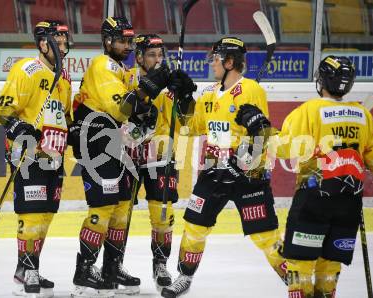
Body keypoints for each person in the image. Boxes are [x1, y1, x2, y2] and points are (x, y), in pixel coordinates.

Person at [247, 55, 373, 298]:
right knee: (329, 268)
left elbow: (283, 148)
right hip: (348, 202)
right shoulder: (362, 115)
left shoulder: (309, 111)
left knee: (299, 266)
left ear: (322, 80)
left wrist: (261, 128)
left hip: (313, 201)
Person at [161, 37, 287, 298]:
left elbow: (261, 136)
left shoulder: (252, 90)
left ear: (230, 62)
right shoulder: (208, 93)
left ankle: (294, 278)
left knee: (265, 236)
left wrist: (241, 160)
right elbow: (189, 126)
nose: (212, 64)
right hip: (213, 170)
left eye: (216, 59)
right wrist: (183, 97)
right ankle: (184, 276)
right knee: (195, 227)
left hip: (248, 176)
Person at [69, 17, 171, 297]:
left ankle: (111, 268)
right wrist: (151, 86)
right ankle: (84, 271)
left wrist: (149, 103)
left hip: (113, 142)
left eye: (129, 40)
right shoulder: (103, 65)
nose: (126, 45)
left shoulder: (122, 70)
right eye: (121, 40)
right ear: (107, 41)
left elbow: (137, 110)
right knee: (103, 207)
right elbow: (123, 109)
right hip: (96, 140)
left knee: (121, 207)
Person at [0, 20, 72, 297]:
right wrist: (17, 127)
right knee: (31, 213)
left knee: (46, 216)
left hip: (54, 154)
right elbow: (3, 109)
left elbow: (64, 116)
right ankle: (28, 269)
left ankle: (28, 267)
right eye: (57, 40)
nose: (63, 45)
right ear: (43, 43)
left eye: (65, 40)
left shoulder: (64, 78)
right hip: (28, 154)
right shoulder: (26, 69)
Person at [122, 33, 184, 291]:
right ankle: (114, 265)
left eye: (160, 55)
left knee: (163, 214)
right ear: (139, 57)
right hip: (129, 154)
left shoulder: (171, 86)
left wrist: (184, 96)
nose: (158, 60)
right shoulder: (126, 79)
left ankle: (160, 263)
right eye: (151, 55)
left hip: (160, 155)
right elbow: (121, 113)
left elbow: (186, 122)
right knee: (119, 214)